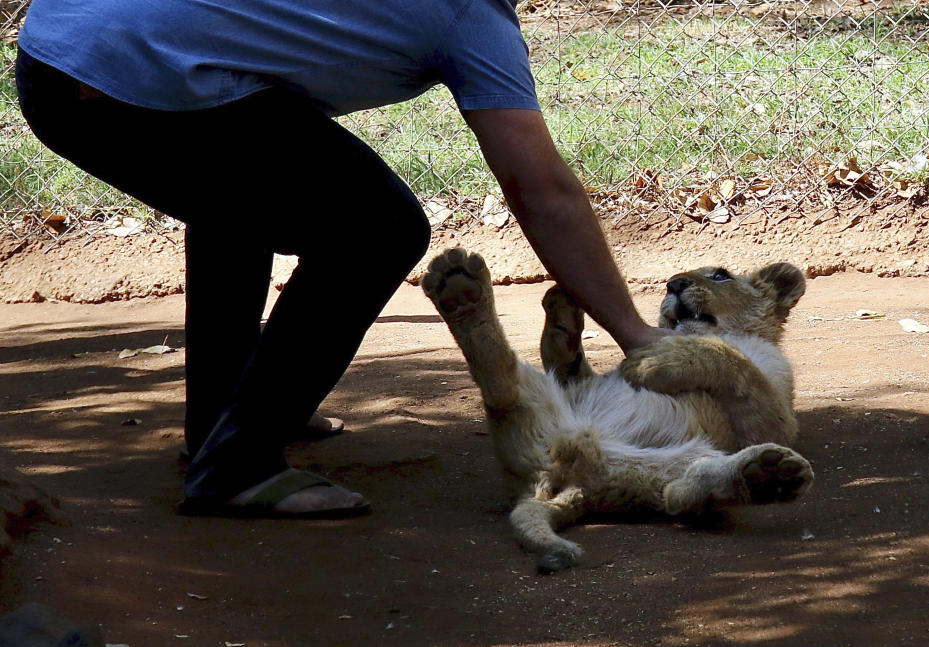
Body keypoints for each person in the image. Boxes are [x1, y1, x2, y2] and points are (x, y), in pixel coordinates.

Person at [15, 0, 673, 518]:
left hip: (58, 46)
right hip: (115, 80)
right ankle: (237, 467)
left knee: (238, 186)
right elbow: (541, 190)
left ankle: (225, 420)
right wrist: (638, 337)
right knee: (377, 228)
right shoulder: (467, 16)